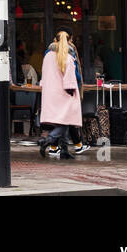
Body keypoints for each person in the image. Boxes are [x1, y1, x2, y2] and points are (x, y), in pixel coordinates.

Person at [38, 31, 81, 161]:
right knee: (66, 121)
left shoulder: (48, 56)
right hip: (64, 92)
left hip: (50, 92)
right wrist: (71, 89)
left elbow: (44, 73)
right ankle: (47, 141)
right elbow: (70, 76)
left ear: (55, 40)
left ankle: (64, 150)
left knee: (63, 121)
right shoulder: (67, 56)